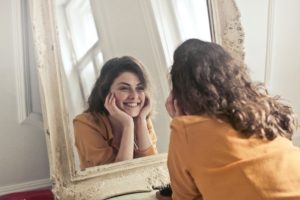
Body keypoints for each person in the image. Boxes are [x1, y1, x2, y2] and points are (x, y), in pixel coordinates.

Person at [164, 39, 300, 200]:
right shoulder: (262, 109)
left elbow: (184, 198)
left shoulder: (186, 130)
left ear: (180, 95)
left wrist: (180, 122)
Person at [73, 56, 157, 170]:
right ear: (106, 92)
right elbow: (118, 176)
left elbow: (152, 168)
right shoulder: (85, 123)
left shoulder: (142, 119)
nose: (134, 96)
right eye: (124, 88)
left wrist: (141, 121)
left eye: (140, 88)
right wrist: (128, 125)